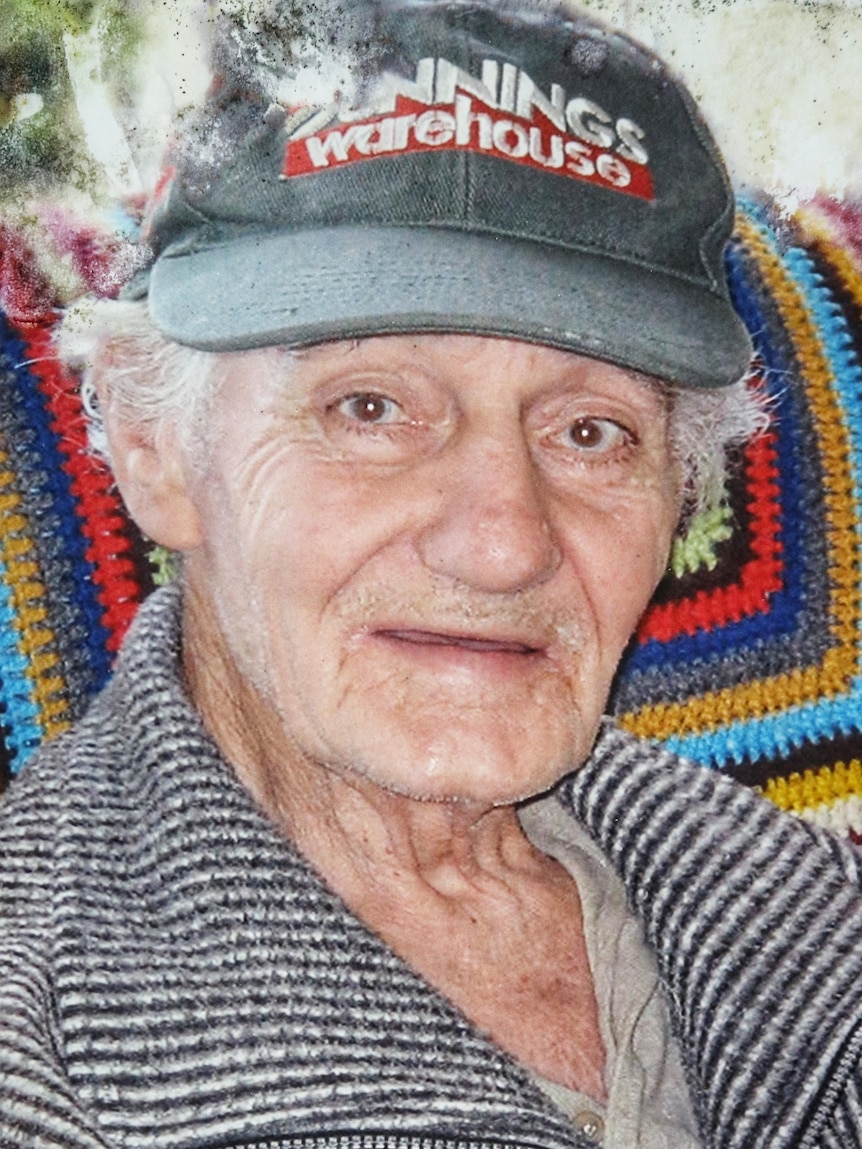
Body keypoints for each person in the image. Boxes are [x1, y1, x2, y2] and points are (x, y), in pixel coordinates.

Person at [3, 2, 862, 1147]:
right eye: (370, 409)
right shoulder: (41, 1049)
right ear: (152, 446)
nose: (504, 544)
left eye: (592, 432)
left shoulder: (811, 905)